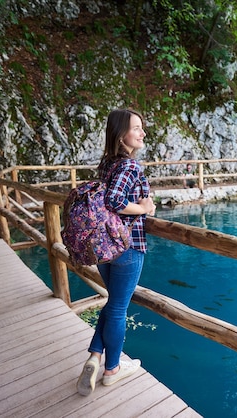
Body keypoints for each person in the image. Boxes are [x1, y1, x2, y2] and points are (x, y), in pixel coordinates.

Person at [76, 108, 156, 396]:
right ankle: (112, 369)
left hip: (105, 248)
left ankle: (96, 356)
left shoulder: (107, 164)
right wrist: (145, 209)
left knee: (113, 304)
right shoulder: (130, 167)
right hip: (128, 246)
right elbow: (114, 201)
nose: (142, 133)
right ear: (122, 135)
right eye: (136, 128)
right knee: (119, 308)